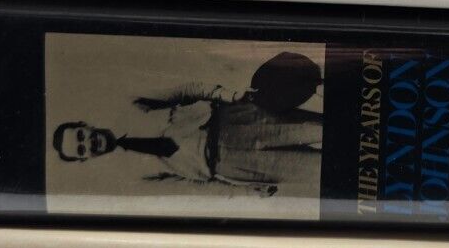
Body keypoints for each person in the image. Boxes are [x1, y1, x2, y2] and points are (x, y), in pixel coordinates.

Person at [51, 52, 323, 195]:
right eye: (82, 149)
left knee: (320, 129)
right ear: (85, 158)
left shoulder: (133, 104)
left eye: (81, 135)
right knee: (318, 170)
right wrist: (248, 192)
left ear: (84, 125)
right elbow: (194, 187)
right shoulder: (131, 176)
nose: (88, 143)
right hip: (233, 166)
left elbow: (186, 90)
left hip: (234, 122)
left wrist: (228, 95)